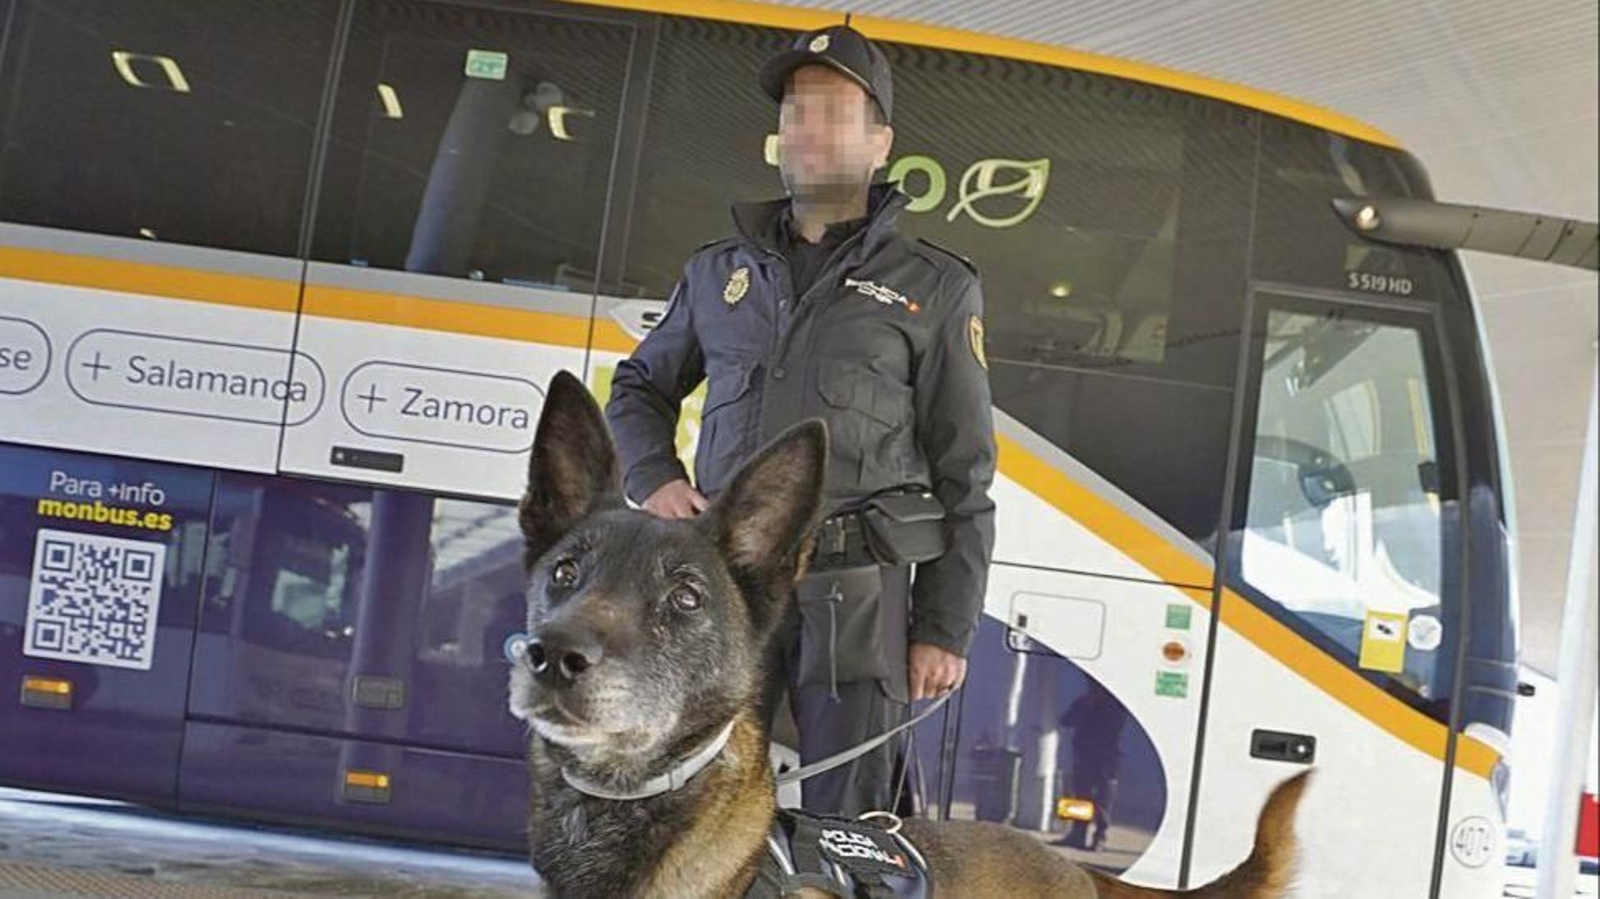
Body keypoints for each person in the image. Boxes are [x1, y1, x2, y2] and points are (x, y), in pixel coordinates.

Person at [604, 23, 995, 817]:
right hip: (722, 586)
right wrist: (655, 479)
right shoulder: (720, 272)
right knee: (696, 800)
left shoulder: (935, 288)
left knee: (848, 819)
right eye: (794, 113)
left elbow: (966, 472)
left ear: (880, 142)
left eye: (832, 113)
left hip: (858, 590)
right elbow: (639, 384)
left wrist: (944, 627)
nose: (805, 130)